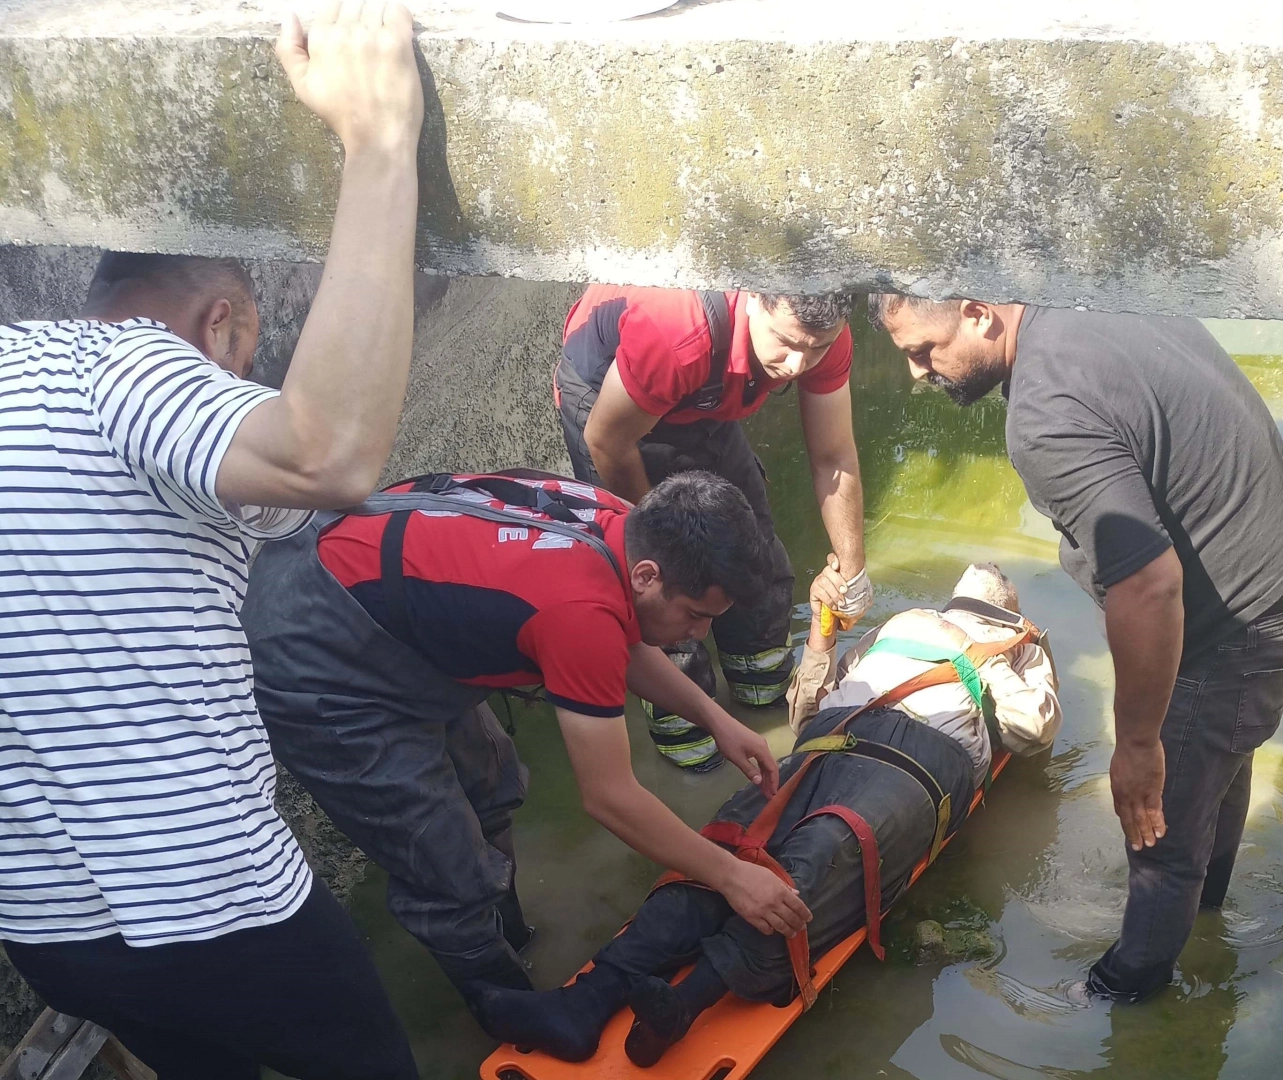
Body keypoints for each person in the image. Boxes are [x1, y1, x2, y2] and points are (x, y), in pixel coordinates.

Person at [0, 6, 426, 1079]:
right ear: (224, 322)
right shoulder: (124, 367)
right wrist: (380, 144)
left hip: (43, 928)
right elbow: (325, 455)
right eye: (238, 361)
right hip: (218, 904)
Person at [868, 296, 1283, 1003]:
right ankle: (1206, 915)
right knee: (1214, 756)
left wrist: (1139, 745)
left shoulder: (1044, 413)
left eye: (923, 350)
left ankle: (1122, 1000)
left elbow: (1148, 584)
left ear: (977, 312)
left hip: (1245, 623)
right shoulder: (1087, 291)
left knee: (1158, 833)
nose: (916, 371)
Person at [241, 469, 811, 1040]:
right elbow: (610, 798)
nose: (700, 633)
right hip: (313, 652)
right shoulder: (578, 608)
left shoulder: (627, 525)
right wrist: (732, 877)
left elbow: (621, 631)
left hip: (383, 596)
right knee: (444, 865)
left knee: (494, 782)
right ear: (647, 575)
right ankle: (512, 1010)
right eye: (695, 614)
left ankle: (511, 934)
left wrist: (716, 719)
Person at [488, 563, 1060, 1066]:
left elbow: (1032, 731)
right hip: (833, 733)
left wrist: (991, 653)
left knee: (827, 846)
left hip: (924, 758)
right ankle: (587, 1000)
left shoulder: (1018, 649)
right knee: (728, 843)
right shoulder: (902, 625)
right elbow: (805, 711)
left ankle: (685, 1005)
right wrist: (822, 638)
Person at [555, 286, 872, 769]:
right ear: (754, 299)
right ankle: (683, 718)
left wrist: (853, 568)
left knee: (749, 549)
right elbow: (607, 441)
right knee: (668, 581)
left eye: (816, 349)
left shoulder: (819, 331)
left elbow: (833, 455)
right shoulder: (677, 333)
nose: (797, 365)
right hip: (609, 404)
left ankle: (757, 677)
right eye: (786, 343)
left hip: (705, 391)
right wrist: (668, 538)